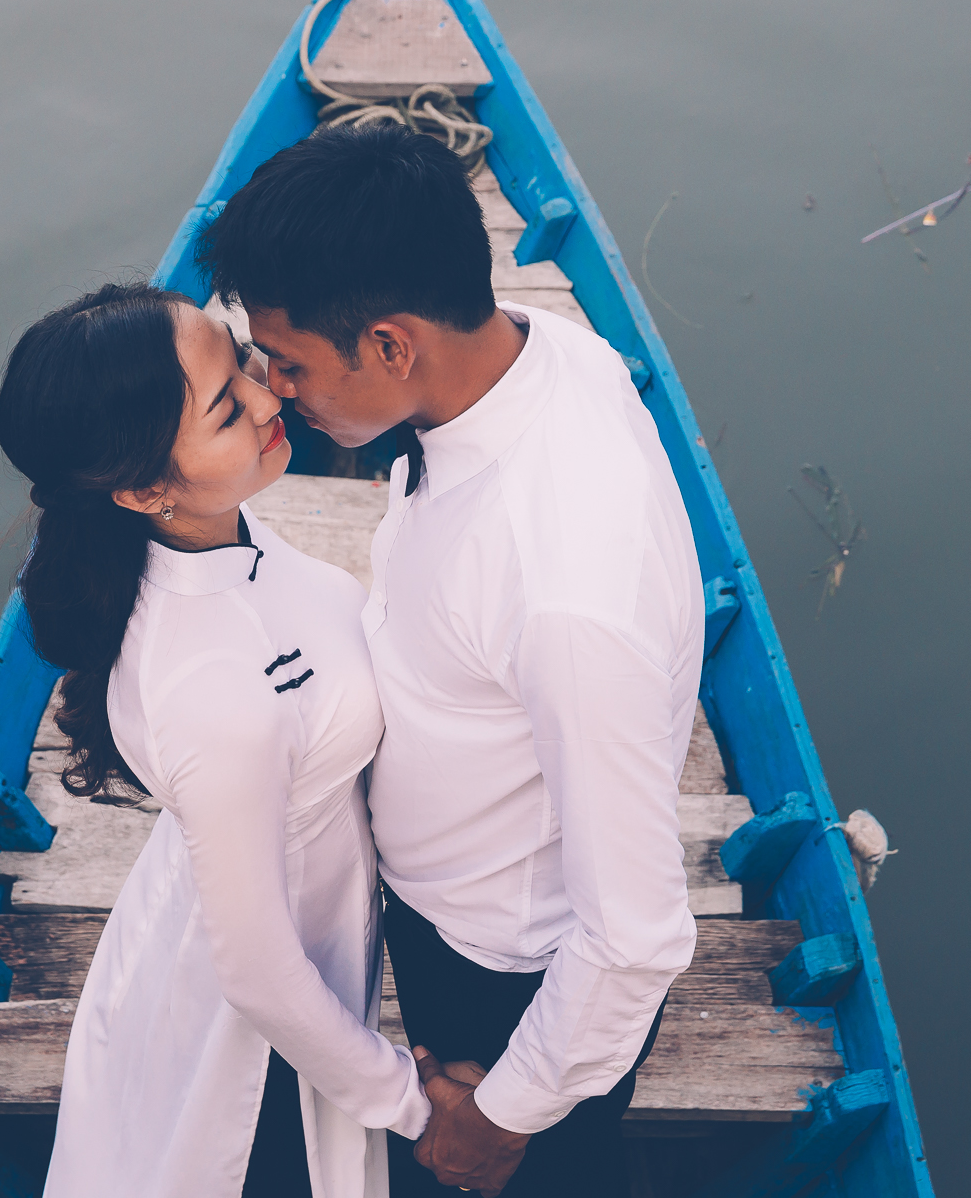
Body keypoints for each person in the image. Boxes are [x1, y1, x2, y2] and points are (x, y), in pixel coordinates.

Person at [198, 123, 705, 1198]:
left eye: (289, 363)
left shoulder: (566, 591)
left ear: (390, 346)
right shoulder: (548, 350)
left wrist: (504, 1113)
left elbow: (635, 937)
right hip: (444, 903)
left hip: (507, 971)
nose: (276, 389)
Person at [0, 282, 443, 1198]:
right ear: (146, 487)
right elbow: (260, 976)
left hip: (256, 919)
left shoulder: (218, 539)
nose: (272, 394)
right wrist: (410, 1102)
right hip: (248, 1036)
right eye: (231, 407)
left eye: (243, 359)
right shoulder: (208, 690)